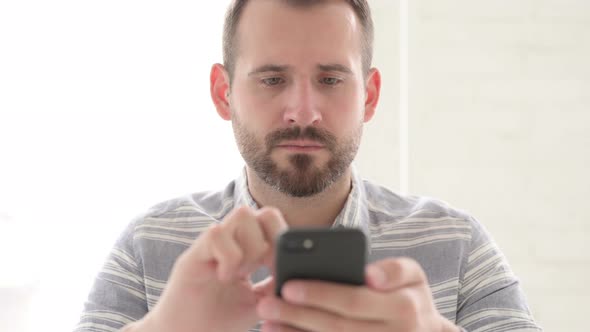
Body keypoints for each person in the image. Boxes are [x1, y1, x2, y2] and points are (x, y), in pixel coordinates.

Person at [75, 1, 542, 331]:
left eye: (331, 79)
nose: (303, 111)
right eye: (273, 79)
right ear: (224, 94)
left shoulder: (458, 245)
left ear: (370, 96)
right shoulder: (147, 245)